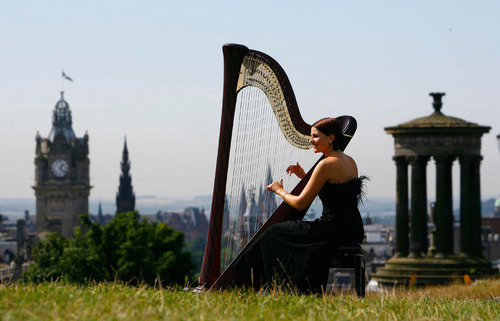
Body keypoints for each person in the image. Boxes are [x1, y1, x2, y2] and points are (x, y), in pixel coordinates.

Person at [232, 117, 366, 293]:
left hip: (331, 229)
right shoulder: (349, 161)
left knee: (274, 233)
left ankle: (250, 283)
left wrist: (279, 190)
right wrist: (304, 176)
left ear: (331, 138)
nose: (311, 141)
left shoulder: (325, 165)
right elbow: (335, 193)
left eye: (315, 136)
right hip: (352, 228)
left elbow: (300, 203)